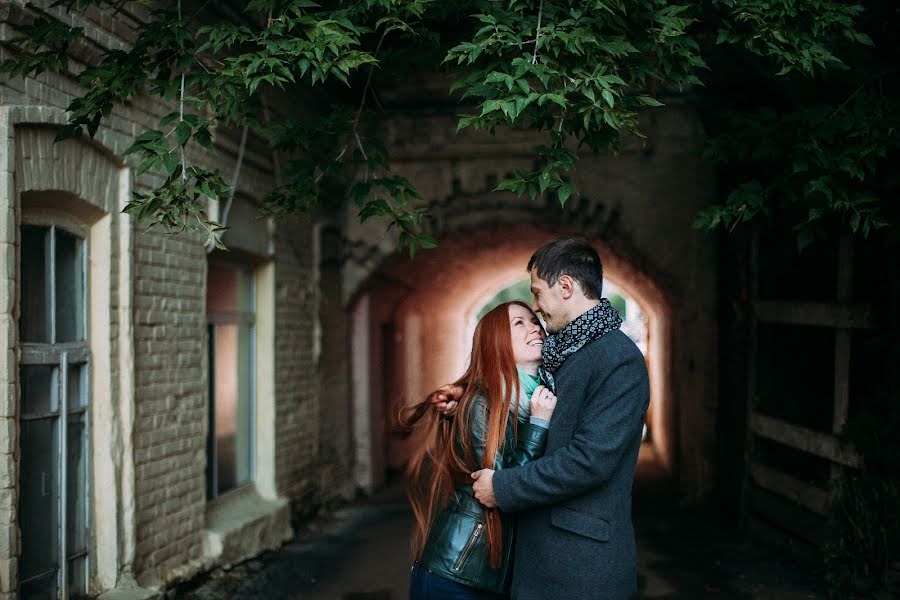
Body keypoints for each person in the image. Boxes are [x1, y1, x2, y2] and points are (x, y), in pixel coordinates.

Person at [432, 237, 650, 600]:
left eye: (537, 293)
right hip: (540, 563)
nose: (535, 307)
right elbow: (519, 393)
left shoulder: (617, 359)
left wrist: (504, 488)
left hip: (580, 569)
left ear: (565, 287)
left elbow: (589, 460)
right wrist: (470, 398)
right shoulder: (563, 350)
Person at [402, 301, 559, 599]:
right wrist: (538, 426)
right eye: (519, 323)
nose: (535, 326)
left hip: (489, 576)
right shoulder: (482, 401)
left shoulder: (535, 397)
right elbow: (500, 485)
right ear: (496, 341)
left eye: (533, 320)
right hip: (455, 575)